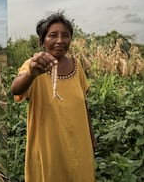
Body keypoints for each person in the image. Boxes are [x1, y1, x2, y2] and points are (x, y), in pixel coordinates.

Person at [10, 12, 96, 182]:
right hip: (49, 146)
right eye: (53, 35)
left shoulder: (76, 65)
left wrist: (91, 138)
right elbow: (15, 88)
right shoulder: (34, 65)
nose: (60, 40)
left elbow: (83, 104)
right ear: (42, 40)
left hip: (79, 143)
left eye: (65, 35)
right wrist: (31, 75)